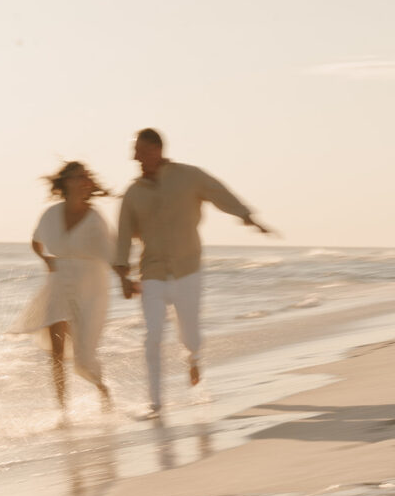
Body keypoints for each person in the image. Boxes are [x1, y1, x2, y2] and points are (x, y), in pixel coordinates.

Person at [114, 128, 276, 416]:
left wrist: (247, 217)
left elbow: (219, 193)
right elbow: (123, 234)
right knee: (152, 336)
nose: (134, 156)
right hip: (152, 272)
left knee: (189, 335)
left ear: (156, 150)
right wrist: (123, 275)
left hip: (188, 268)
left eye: (139, 150)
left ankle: (193, 356)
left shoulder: (188, 177)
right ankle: (155, 403)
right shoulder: (133, 193)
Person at [10, 161, 114, 412]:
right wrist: (45, 258)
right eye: (78, 177)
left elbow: (113, 253)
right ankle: (62, 411)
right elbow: (35, 241)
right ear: (66, 181)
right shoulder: (51, 214)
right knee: (56, 354)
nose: (83, 181)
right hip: (58, 282)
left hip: (89, 285)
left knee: (83, 356)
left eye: (86, 177)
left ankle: (103, 391)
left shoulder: (95, 218)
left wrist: (127, 277)